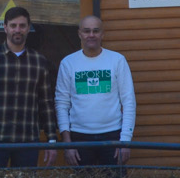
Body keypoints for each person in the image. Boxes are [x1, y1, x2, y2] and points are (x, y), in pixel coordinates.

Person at [0, 5, 58, 167]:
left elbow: (46, 102)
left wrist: (51, 138)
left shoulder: (38, 61)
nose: (18, 30)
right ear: (5, 27)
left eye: (22, 26)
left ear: (28, 29)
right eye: (13, 25)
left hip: (28, 141)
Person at [56, 15, 135, 165]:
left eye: (96, 31)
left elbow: (129, 102)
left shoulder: (117, 60)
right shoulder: (68, 63)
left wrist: (125, 141)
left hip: (113, 137)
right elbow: (61, 104)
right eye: (86, 31)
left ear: (102, 34)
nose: (91, 35)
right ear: (79, 33)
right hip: (79, 138)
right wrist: (67, 144)